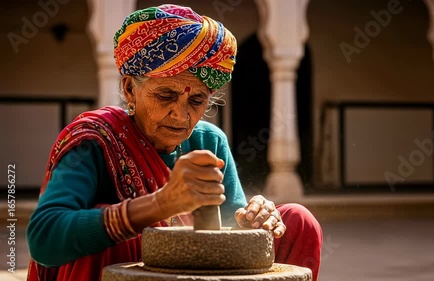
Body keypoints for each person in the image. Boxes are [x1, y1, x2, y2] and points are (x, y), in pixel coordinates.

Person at [26, 4, 322, 281]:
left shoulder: (208, 142)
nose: (181, 115)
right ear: (130, 89)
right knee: (116, 231)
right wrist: (158, 205)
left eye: (196, 101)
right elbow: (44, 239)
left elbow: (231, 234)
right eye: (166, 95)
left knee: (297, 220)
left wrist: (255, 219)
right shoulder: (96, 141)